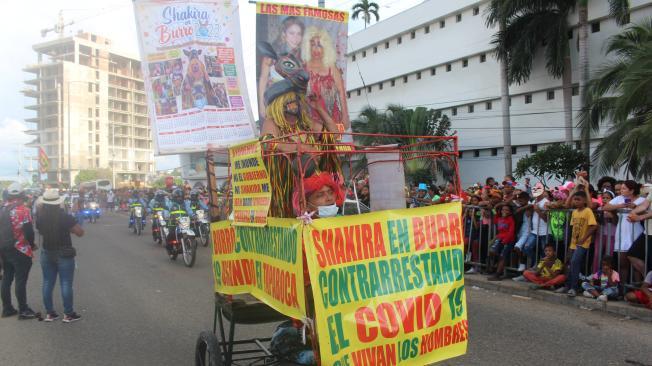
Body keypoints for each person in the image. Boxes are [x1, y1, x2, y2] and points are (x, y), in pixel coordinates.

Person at [36, 189, 84, 322]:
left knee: (47, 282)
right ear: (58, 203)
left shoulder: (40, 218)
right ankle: (68, 314)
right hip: (64, 253)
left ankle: (50, 313)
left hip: (46, 252)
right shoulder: (64, 217)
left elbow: (41, 231)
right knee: (66, 283)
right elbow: (80, 232)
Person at [302, 26, 349, 133]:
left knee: (333, 147)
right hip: (311, 120)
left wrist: (345, 115)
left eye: (320, 45)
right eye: (313, 45)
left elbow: (341, 92)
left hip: (333, 118)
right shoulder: (303, 68)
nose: (316, 49)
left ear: (325, 47)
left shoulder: (331, 67)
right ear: (308, 47)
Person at [0, 182, 37, 319]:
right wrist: (32, 245)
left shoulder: (1, 209)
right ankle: (23, 310)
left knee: (6, 279)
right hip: (20, 250)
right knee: (20, 280)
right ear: (22, 195)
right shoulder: (24, 210)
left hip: (4, 249)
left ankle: (7, 308)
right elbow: (29, 232)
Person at [258, 16, 305, 120]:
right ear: (284, 34)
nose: (295, 38)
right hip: (275, 104)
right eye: (291, 33)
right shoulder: (271, 54)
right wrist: (261, 105)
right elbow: (263, 79)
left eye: (299, 34)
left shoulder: (303, 57)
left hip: (295, 108)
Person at [559, 182, 598, 297]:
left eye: (578, 199)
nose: (576, 202)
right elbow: (573, 228)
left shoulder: (588, 211)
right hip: (573, 243)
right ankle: (568, 285)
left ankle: (574, 288)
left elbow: (594, 226)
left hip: (583, 243)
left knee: (575, 262)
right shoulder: (575, 212)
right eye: (575, 199)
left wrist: (584, 238)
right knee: (569, 263)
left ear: (585, 201)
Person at [603, 180, 645, 284]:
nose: (621, 190)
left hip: (636, 232)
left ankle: (637, 286)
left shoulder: (641, 200)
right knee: (623, 263)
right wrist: (621, 206)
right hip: (622, 232)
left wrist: (635, 207)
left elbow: (646, 211)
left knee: (635, 262)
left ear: (631, 190)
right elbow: (606, 207)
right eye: (621, 188)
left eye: (624, 188)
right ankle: (623, 288)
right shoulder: (619, 199)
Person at [522, 182, 549, 269]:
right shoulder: (533, 201)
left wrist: (538, 210)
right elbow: (528, 215)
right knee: (527, 248)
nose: (535, 191)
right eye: (534, 189)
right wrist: (528, 211)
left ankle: (543, 268)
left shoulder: (546, 202)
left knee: (545, 252)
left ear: (542, 191)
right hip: (535, 231)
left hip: (545, 232)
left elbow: (546, 219)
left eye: (537, 189)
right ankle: (537, 263)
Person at [487, 203, 516, 281]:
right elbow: (494, 214)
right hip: (500, 239)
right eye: (503, 209)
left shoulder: (511, 219)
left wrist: (505, 241)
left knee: (502, 257)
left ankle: (497, 274)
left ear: (510, 212)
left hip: (508, 240)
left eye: (506, 210)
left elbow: (511, 232)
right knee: (492, 251)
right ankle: (494, 267)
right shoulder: (499, 218)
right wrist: (495, 207)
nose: (504, 211)